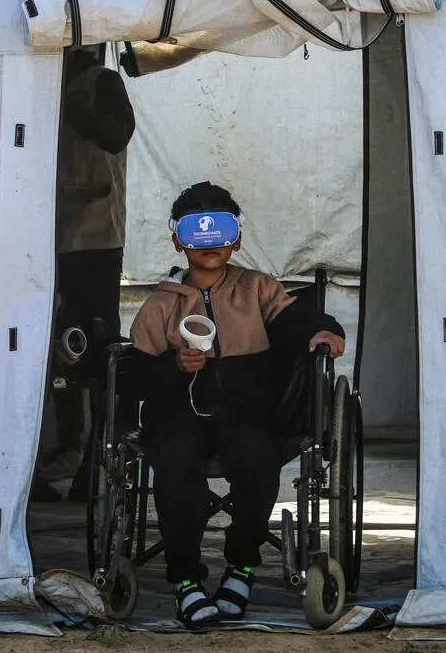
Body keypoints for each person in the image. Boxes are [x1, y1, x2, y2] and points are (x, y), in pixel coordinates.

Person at [127, 182, 345, 628]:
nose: (210, 244)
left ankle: (241, 565)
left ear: (237, 238)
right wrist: (175, 367)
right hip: (179, 418)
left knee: (257, 454)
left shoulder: (259, 291)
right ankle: (186, 579)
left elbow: (297, 322)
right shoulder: (160, 305)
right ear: (178, 240)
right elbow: (133, 379)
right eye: (196, 233)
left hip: (246, 412)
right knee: (177, 458)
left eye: (220, 231)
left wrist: (322, 330)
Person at [33, 45, 135, 503]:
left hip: (93, 241)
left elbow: (117, 135)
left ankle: (93, 466)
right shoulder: (31, 75)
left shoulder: (101, 81)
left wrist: (79, 113)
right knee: (39, 351)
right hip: (38, 239)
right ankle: (39, 463)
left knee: (93, 352)